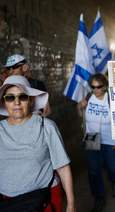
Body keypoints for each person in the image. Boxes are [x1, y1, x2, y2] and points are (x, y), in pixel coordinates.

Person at [0, 75, 75, 212]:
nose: (17, 103)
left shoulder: (46, 126)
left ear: (30, 99)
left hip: (44, 200)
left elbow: (63, 167)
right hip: (8, 203)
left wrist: (71, 203)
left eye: (22, 97)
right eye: (10, 98)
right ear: (4, 102)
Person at [77, 73, 115, 212]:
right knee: (94, 171)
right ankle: (98, 197)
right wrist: (79, 107)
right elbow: (82, 117)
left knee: (113, 166)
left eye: (99, 87)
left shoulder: (112, 99)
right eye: (93, 87)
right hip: (91, 137)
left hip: (110, 139)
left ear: (105, 86)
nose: (95, 90)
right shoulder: (88, 97)